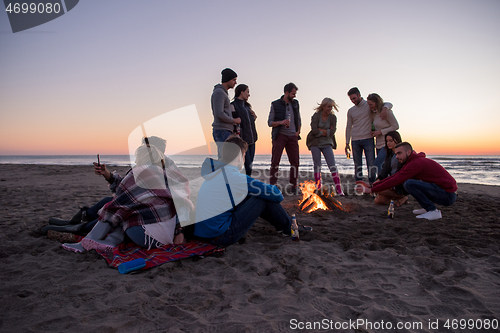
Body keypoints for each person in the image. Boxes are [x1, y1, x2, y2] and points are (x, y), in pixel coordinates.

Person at [62, 144, 194, 252]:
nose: (135, 161)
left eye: (136, 157)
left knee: (118, 209)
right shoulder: (167, 175)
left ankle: (85, 243)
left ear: (142, 157)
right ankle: (110, 241)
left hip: (144, 237)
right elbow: (182, 204)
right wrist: (179, 231)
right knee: (134, 209)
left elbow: (119, 202)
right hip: (167, 236)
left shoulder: (139, 172)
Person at [194, 135, 311, 246]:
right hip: (220, 235)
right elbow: (277, 195)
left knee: (252, 194)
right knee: (262, 198)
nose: (245, 159)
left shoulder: (216, 173)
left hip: (204, 233)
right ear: (240, 156)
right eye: (245, 155)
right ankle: (289, 228)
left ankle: (287, 226)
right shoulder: (233, 176)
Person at [357, 142, 458, 220]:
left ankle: (432, 211)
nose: (397, 156)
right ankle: (427, 208)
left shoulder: (416, 163)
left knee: (409, 184)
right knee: (410, 183)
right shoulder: (412, 162)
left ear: (408, 152)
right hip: (443, 192)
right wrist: (372, 185)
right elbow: (396, 176)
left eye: (399, 153)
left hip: (447, 195)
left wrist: (371, 190)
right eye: (396, 154)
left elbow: (396, 180)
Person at [345, 87, 393, 184]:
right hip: (355, 140)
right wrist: (347, 142)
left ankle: (372, 185)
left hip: (368, 139)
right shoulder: (351, 111)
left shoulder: (369, 105)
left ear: (359, 95)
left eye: (354, 98)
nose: (353, 101)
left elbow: (388, 104)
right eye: (351, 99)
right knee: (357, 165)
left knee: (372, 165)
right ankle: (359, 186)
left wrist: (385, 108)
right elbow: (349, 126)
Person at [305, 97, 344, 195]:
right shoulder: (316, 116)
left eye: (331, 107)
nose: (330, 109)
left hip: (327, 143)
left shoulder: (333, 118)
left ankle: (339, 190)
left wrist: (321, 130)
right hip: (315, 143)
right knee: (317, 166)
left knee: (332, 166)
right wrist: (326, 131)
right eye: (328, 107)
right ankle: (318, 188)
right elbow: (314, 130)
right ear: (323, 106)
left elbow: (332, 132)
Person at [268, 83, 302, 193]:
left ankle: (294, 186)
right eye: (293, 94)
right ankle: (273, 185)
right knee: (275, 161)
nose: (294, 96)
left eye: (295, 94)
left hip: (293, 136)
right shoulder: (275, 104)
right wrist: (281, 122)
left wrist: (298, 131)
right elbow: (270, 123)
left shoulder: (296, 104)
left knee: (295, 162)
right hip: (280, 135)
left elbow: (298, 118)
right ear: (286, 93)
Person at [372, 131, 408, 206]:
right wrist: (378, 179)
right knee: (378, 200)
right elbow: (384, 170)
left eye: (391, 141)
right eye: (387, 141)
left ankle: (402, 196)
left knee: (377, 189)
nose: (388, 143)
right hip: (392, 184)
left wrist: (391, 184)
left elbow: (402, 174)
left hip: (399, 185)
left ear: (397, 140)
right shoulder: (390, 154)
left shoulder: (403, 155)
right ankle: (398, 199)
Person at [212, 68, 241, 158]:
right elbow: (219, 114)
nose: (235, 83)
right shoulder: (219, 93)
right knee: (225, 159)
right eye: (234, 80)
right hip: (222, 130)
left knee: (227, 159)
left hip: (225, 130)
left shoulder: (223, 93)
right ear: (228, 79)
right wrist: (234, 120)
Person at [367, 93, 399, 173]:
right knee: (385, 166)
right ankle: (384, 182)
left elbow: (396, 126)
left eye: (371, 104)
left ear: (376, 103)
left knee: (377, 164)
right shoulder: (373, 114)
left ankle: (382, 182)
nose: (369, 106)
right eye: (368, 104)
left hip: (387, 143)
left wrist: (381, 132)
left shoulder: (386, 112)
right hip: (378, 143)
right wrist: (374, 132)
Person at [231, 84, 258, 176]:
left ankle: (246, 186)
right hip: (242, 141)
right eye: (247, 92)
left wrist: (254, 117)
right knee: (245, 166)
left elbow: (248, 122)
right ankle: (242, 187)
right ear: (241, 92)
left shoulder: (247, 107)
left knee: (249, 166)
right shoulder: (233, 105)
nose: (249, 95)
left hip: (252, 140)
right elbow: (234, 123)